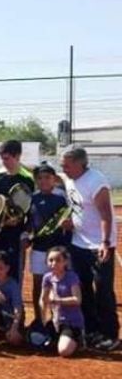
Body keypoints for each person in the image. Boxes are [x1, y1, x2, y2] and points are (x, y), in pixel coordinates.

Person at [60, 146, 119, 351]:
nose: (63, 168)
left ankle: (110, 334)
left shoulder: (96, 181)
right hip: (78, 242)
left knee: (102, 289)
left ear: (79, 163)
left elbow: (106, 215)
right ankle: (92, 330)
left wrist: (104, 242)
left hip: (98, 245)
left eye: (66, 165)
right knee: (83, 287)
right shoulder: (70, 179)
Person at [27, 161, 71, 326]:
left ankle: (58, 320)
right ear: (36, 181)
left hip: (58, 250)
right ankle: (39, 319)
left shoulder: (62, 197)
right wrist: (28, 235)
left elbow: (70, 220)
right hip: (38, 249)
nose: (43, 181)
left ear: (54, 179)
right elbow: (29, 223)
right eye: (40, 178)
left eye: (47, 177)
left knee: (58, 284)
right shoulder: (32, 199)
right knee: (38, 285)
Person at [0, 140, 35, 285]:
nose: (4, 162)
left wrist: (27, 233)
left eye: (7, 158)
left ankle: (15, 305)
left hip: (16, 235)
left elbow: (31, 210)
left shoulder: (28, 179)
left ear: (18, 156)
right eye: (2, 158)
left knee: (14, 272)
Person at [40, 246, 84, 358]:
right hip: (55, 321)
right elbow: (43, 299)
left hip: (71, 322)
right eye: (50, 260)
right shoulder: (47, 278)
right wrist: (43, 319)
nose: (53, 263)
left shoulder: (72, 277)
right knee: (36, 343)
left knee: (64, 351)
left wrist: (57, 301)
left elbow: (77, 300)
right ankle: (56, 337)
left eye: (58, 260)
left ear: (65, 262)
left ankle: (79, 338)